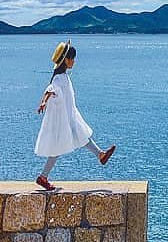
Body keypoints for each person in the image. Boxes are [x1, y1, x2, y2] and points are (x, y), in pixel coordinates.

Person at [34, 40, 115, 191]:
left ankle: (101, 155)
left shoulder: (64, 76)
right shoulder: (59, 78)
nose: (73, 61)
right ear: (65, 59)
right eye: (72, 58)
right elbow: (50, 90)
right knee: (57, 148)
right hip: (63, 118)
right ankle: (43, 176)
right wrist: (43, 102)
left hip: (70, 115)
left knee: (81, 135)